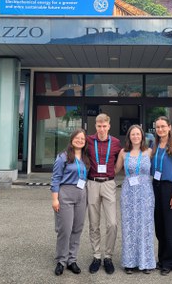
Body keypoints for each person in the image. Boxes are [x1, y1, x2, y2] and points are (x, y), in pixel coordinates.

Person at [115, 124, 156, 274]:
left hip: (145, 193)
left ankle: (146, 261)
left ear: (142, 136)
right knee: (129, 226)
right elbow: (114, 170)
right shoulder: (123, 153)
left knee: (145, 226)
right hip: (129, 193)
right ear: (129, 137)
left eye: (138, 134)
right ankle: (129, 262)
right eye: (133, 134)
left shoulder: (150, 152)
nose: (136, 137)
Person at [50, 128, 90, 276]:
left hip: (81, 194)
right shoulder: (63, 157)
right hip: (65, 193)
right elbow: (55, 178)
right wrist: (55, 199)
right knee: (65, 230)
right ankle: (61, 260)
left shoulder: (85, 158)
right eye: (77, 138)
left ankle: (72, 260)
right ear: (72, 139)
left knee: (77, 228)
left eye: (82, 139)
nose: (80, 140)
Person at [86, 113, 122, 274]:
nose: (101, 129)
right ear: (96, 126)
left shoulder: (115, 143)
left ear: (109, 126)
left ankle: (108, 256)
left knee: (112, 223)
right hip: (92, 183)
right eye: (99, 126)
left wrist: (113, 173)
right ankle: (96, 256)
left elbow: (122, 159)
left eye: (104, 126)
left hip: (108, 183)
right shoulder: (88, 141)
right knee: (94, 223)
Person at [150, 116, 172, 276]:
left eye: (163, 126)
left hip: (169, 188)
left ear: (169, 127)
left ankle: (170, 263)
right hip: (155, 187)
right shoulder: (154, 145)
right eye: (158, 127)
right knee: (160, 227)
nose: (160, 129)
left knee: (170, 229)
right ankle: (162, 259)